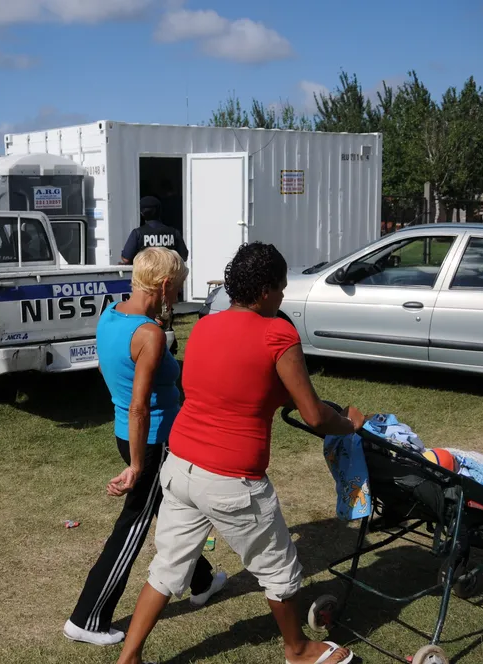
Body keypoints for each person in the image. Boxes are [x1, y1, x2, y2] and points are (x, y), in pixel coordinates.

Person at [115, 242, 367, 664]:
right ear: (266, 290)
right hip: (232, 479)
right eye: (282, 289)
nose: (284, 297)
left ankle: (129, 658)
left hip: (180, 468)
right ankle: (299, 649)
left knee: (169, 565)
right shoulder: (278, 333)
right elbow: (313, 414)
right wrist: (350, 424)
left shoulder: (206, 326)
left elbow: (225, 386)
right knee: (279, 569)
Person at [64, 247, 226, 647]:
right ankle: (87, 617)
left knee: (176, 512)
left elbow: (109, 371)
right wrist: (137, 464)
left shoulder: (111, 314)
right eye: (179, 287)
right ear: (166, 285)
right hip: (150, 444)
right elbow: (138, 406)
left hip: (137, 436)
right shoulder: (150, 335)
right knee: (134, 525)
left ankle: (201, 581)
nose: (179, 295)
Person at [120, 197, 188, 265]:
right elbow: (184, 257)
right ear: (160, 211)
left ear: (142, 213)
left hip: (147, 274)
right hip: (169, 274)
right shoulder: (174, 233)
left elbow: (126, 259)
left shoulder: (138, 233)